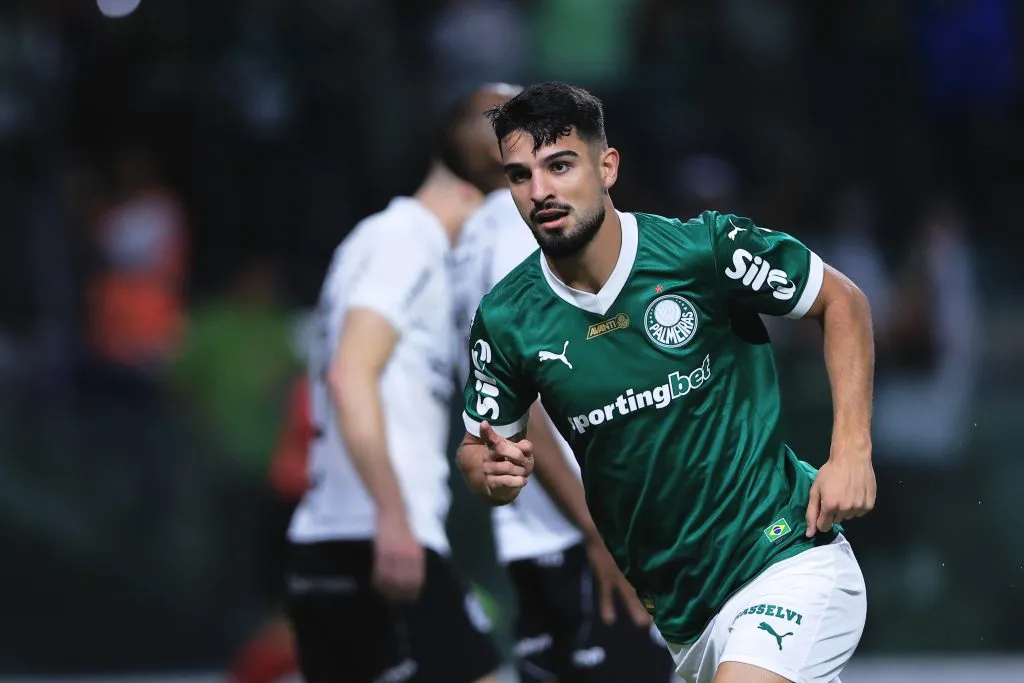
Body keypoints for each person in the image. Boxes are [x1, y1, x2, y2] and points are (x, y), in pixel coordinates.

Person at [456, 82, 876, 683]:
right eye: (521, 176)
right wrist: (488, 474)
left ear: (607, 167)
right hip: (684, 621)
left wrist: (852, 451)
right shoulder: (505, 319)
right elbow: (480, 452)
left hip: (787, 558)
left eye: (560, 165)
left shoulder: (701, 252)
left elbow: (843, 302)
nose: (541, 191)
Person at [452, 86, 674, 683]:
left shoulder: (469, 235)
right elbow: (527, 404)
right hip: (582, 535)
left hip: (532, 535)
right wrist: (598, 532)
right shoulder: (513, 228)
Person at [284, 87, 507, 683]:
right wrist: (392, 516)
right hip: (375, 541)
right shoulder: (405, 240)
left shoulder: (387, 242)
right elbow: (350, 371)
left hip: (344, 539)